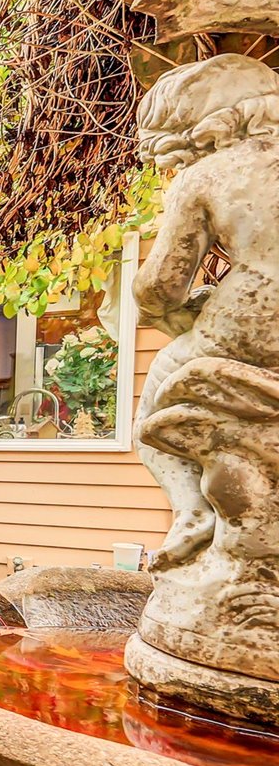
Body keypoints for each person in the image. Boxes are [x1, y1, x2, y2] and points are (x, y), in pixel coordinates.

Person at [132, 53, 279, 568]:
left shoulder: (209, 175)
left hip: (252, 326)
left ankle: (192, 510)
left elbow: (160, 286)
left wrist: (164, 312)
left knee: (155, 407)